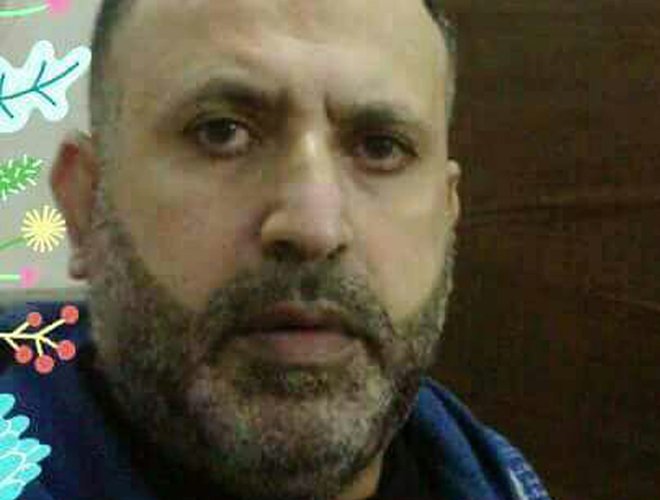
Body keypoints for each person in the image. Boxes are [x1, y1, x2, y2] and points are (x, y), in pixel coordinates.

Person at [0, 0, 553, 498]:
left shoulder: (496, 476)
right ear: (85, 205)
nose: (314, 227)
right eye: (222, 133)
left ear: (446, 215)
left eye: (381, 148)